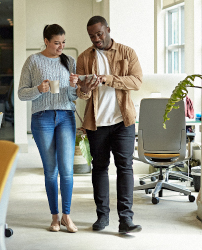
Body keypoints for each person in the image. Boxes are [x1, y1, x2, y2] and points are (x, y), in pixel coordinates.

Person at [76, 16, 143, 234]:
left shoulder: (127, 52)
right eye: (92, 36)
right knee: (99, 168)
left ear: (108, 30)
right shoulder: (84, 57)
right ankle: (102, 216)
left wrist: (107, 79)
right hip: (97, 122)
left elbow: (137, 81)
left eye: (99, 34)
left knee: (125, 167)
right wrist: (85, 88)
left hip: (123, 120)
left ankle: (126, 219)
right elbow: (82, 95)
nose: (96, 39)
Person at [18, 24, 79, 233]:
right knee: (51, 171)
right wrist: (38, 89)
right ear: (46, 41)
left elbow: (73, 98)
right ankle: (54, 217)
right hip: (42, 118)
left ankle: (67, 216)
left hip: (66, 116)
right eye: (56, 43)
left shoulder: (69, 61)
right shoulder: (33, 61)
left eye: (63, 42)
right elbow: (21, 93)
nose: (61, 46)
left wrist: (73, 87)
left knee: (67, 170)